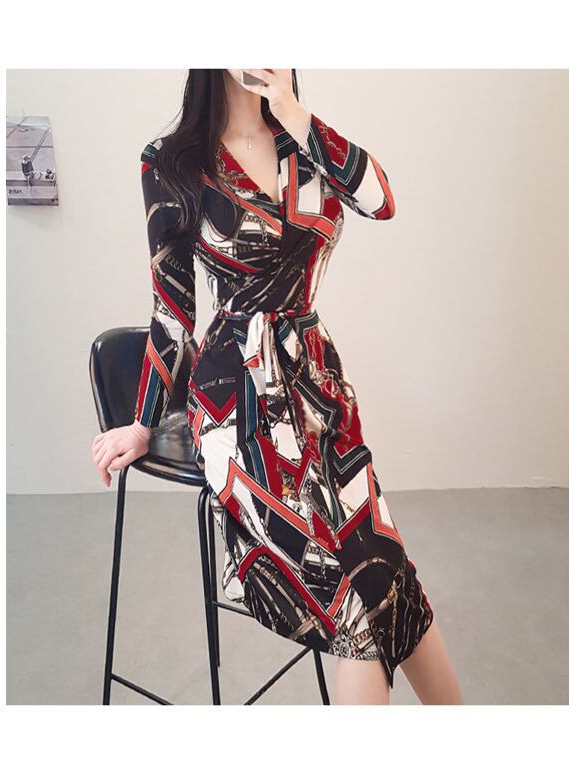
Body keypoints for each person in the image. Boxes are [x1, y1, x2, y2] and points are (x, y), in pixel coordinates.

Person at [91, 69, 464, 705]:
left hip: (318, 389)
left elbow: (381, 200)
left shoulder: (306, 143)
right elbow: (172, 313)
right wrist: (144, 422)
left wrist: (295, 114)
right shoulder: (173, 161)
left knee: (389, 574)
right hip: (234, 402)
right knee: (357, 609)